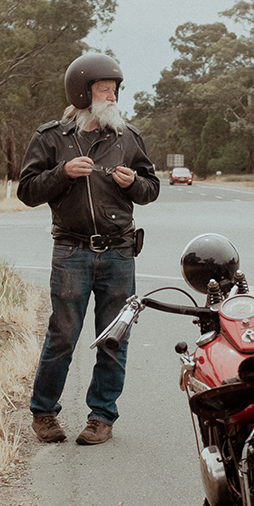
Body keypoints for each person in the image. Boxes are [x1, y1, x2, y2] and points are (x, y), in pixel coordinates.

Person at [18, 53, 160, 445]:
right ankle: (44, 413)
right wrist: (61, 174)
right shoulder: (51, 138)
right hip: (71, 252)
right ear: (82, 93)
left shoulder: (128, 137)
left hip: (119, 253)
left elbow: (151, 189)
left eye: (115, 89)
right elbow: (27, 191)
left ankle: (102, 417)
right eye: (103, 90)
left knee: (114, 339)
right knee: (62, 335)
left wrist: (133, 184)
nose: (112, 96)